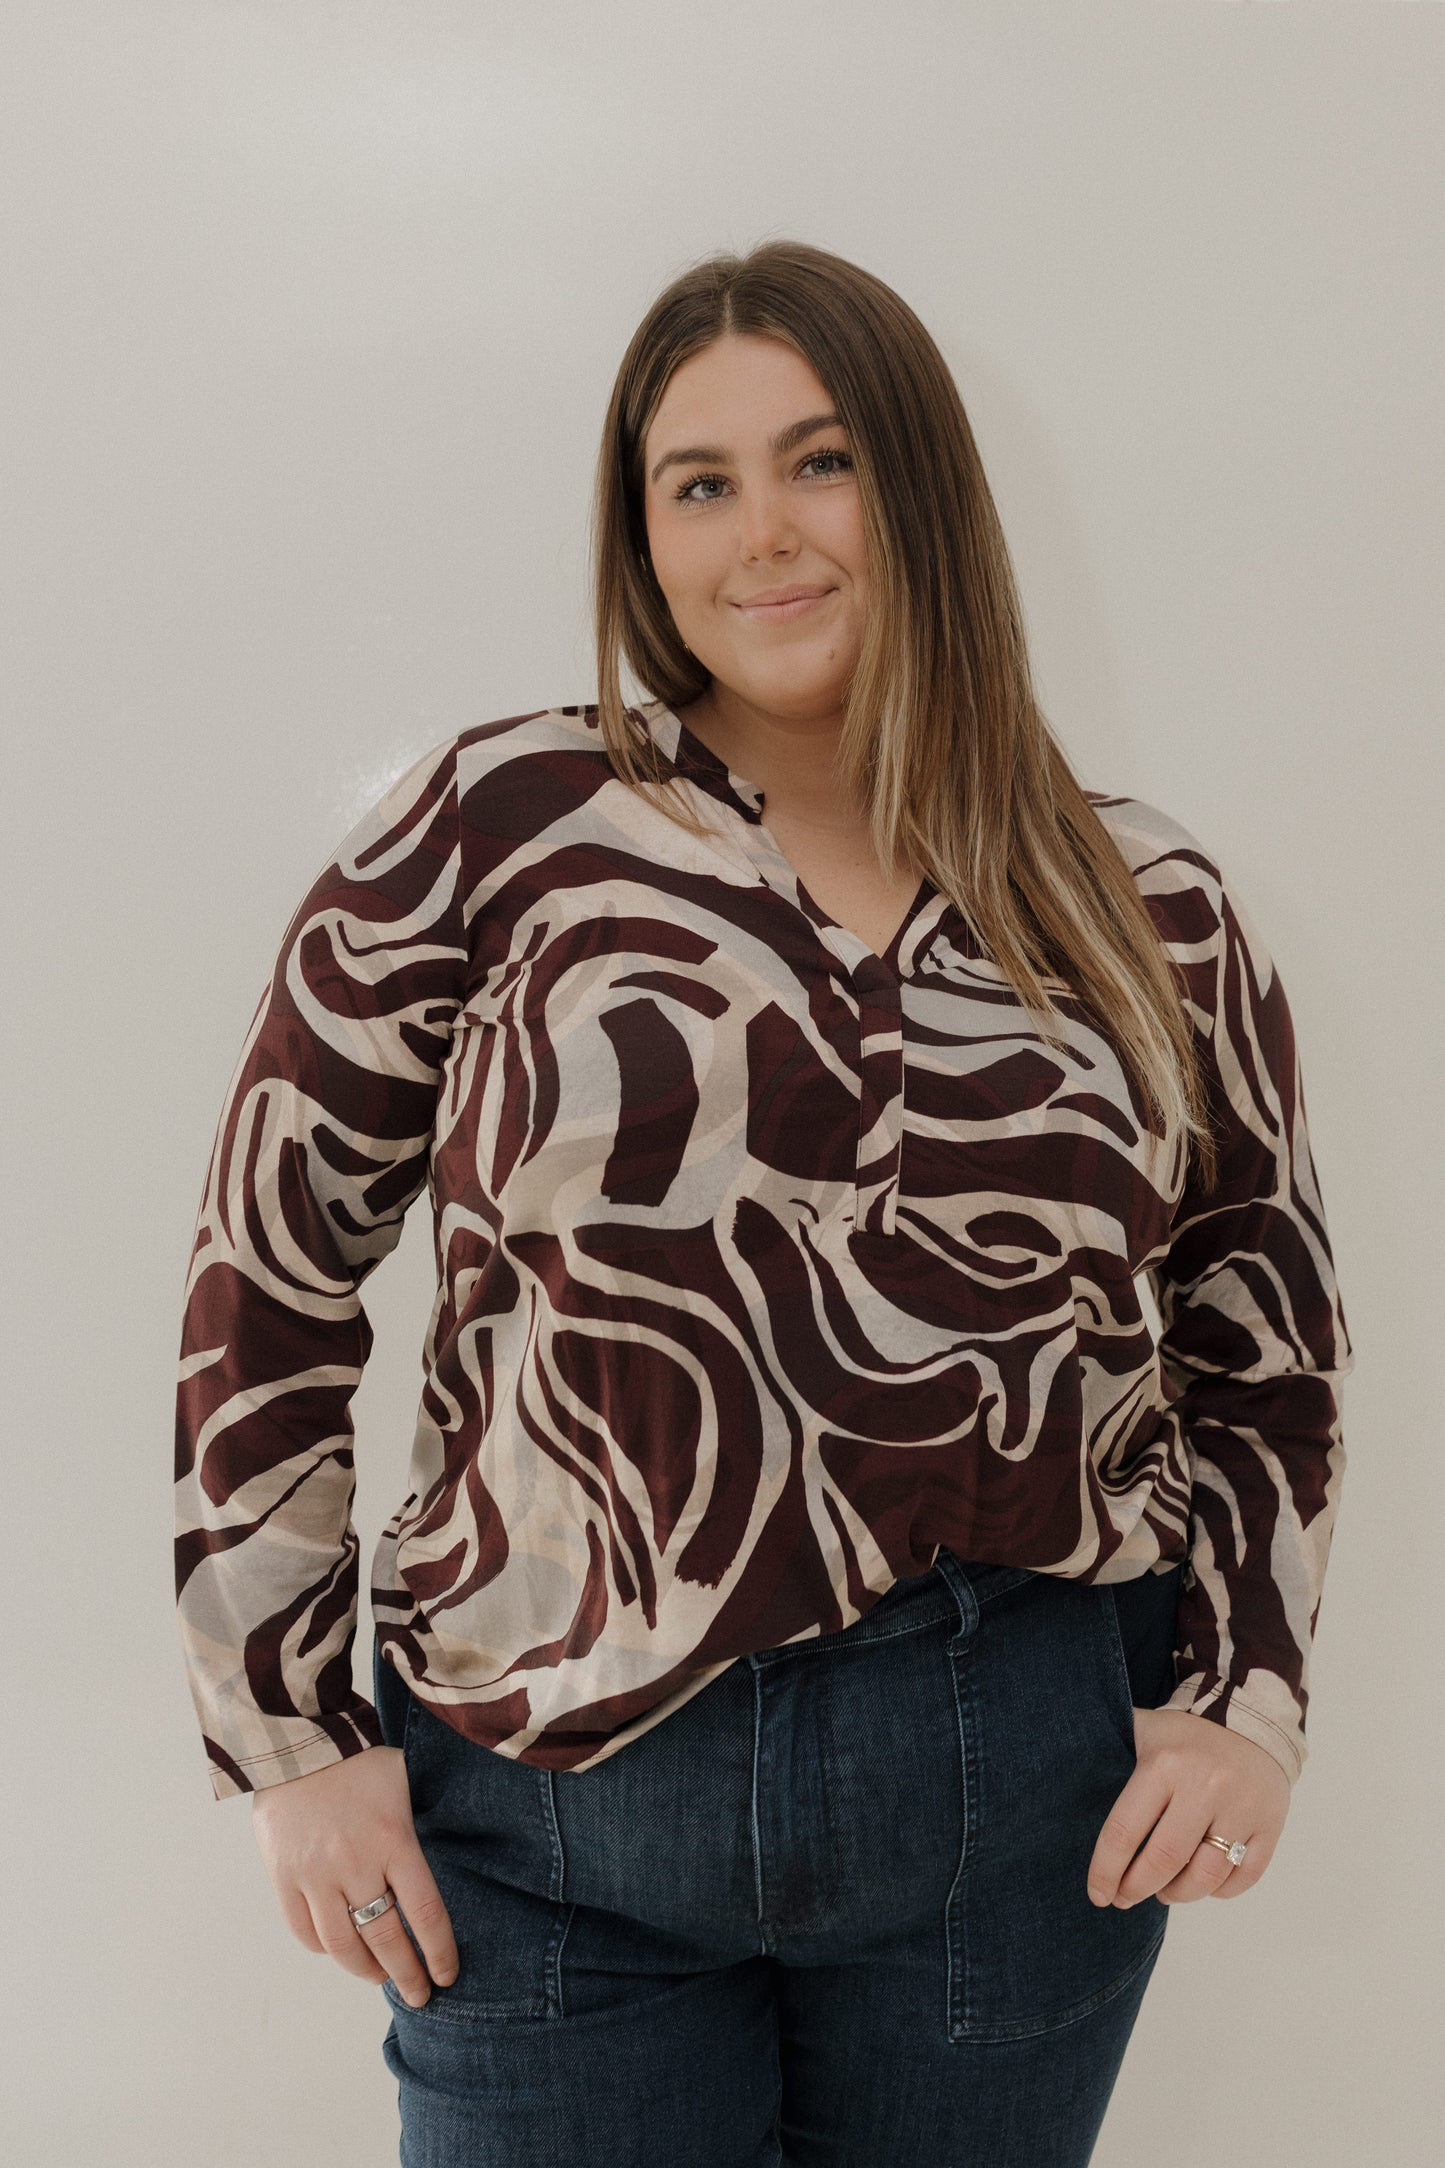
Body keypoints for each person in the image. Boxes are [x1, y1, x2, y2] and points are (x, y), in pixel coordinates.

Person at [173, 239, 1354, 2167]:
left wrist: (1246, 1693)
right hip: (547, 1805)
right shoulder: (499, 832)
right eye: (694, 484)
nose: (763, 535)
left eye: (820, 463)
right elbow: (271, 1270)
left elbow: (1263, 1316)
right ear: (641, 539)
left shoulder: (1145, 904)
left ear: (921, 488)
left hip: (1015, 1799)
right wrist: (288, 1742)